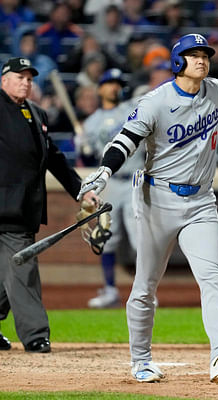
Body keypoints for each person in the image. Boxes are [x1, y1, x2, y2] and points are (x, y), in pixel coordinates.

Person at [77, 33, 218, 383]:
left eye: (205, 55)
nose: (201, 60)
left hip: (200, 202)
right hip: (157, 201)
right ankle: (141, 360)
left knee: (213, 279)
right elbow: (126, 140)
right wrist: (105, 171)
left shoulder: (214, 90)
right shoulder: (156, 101)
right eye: (193, 55)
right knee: (145, 286)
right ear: (178, 62)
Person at [0, 57, 83, 354]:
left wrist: (82, 191)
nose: (26, 82)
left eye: (29, 78)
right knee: (23, 266)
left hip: (25, 208)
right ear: (4, 81)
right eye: (20, 77)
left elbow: (54, 158)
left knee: (7, 271)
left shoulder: (36, 112)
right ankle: (35, 335)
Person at [80, 69, 145, 308]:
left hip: (136, 179)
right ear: (100, 89)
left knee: (141, 240)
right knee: (106, 237)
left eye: (118, 83)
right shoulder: (90, 123)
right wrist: (82, 149)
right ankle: (109, 289)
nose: (114, 87)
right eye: (109, 83)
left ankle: (145, 292)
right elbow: (89, 162)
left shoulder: (132, 110)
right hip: (110, 184)